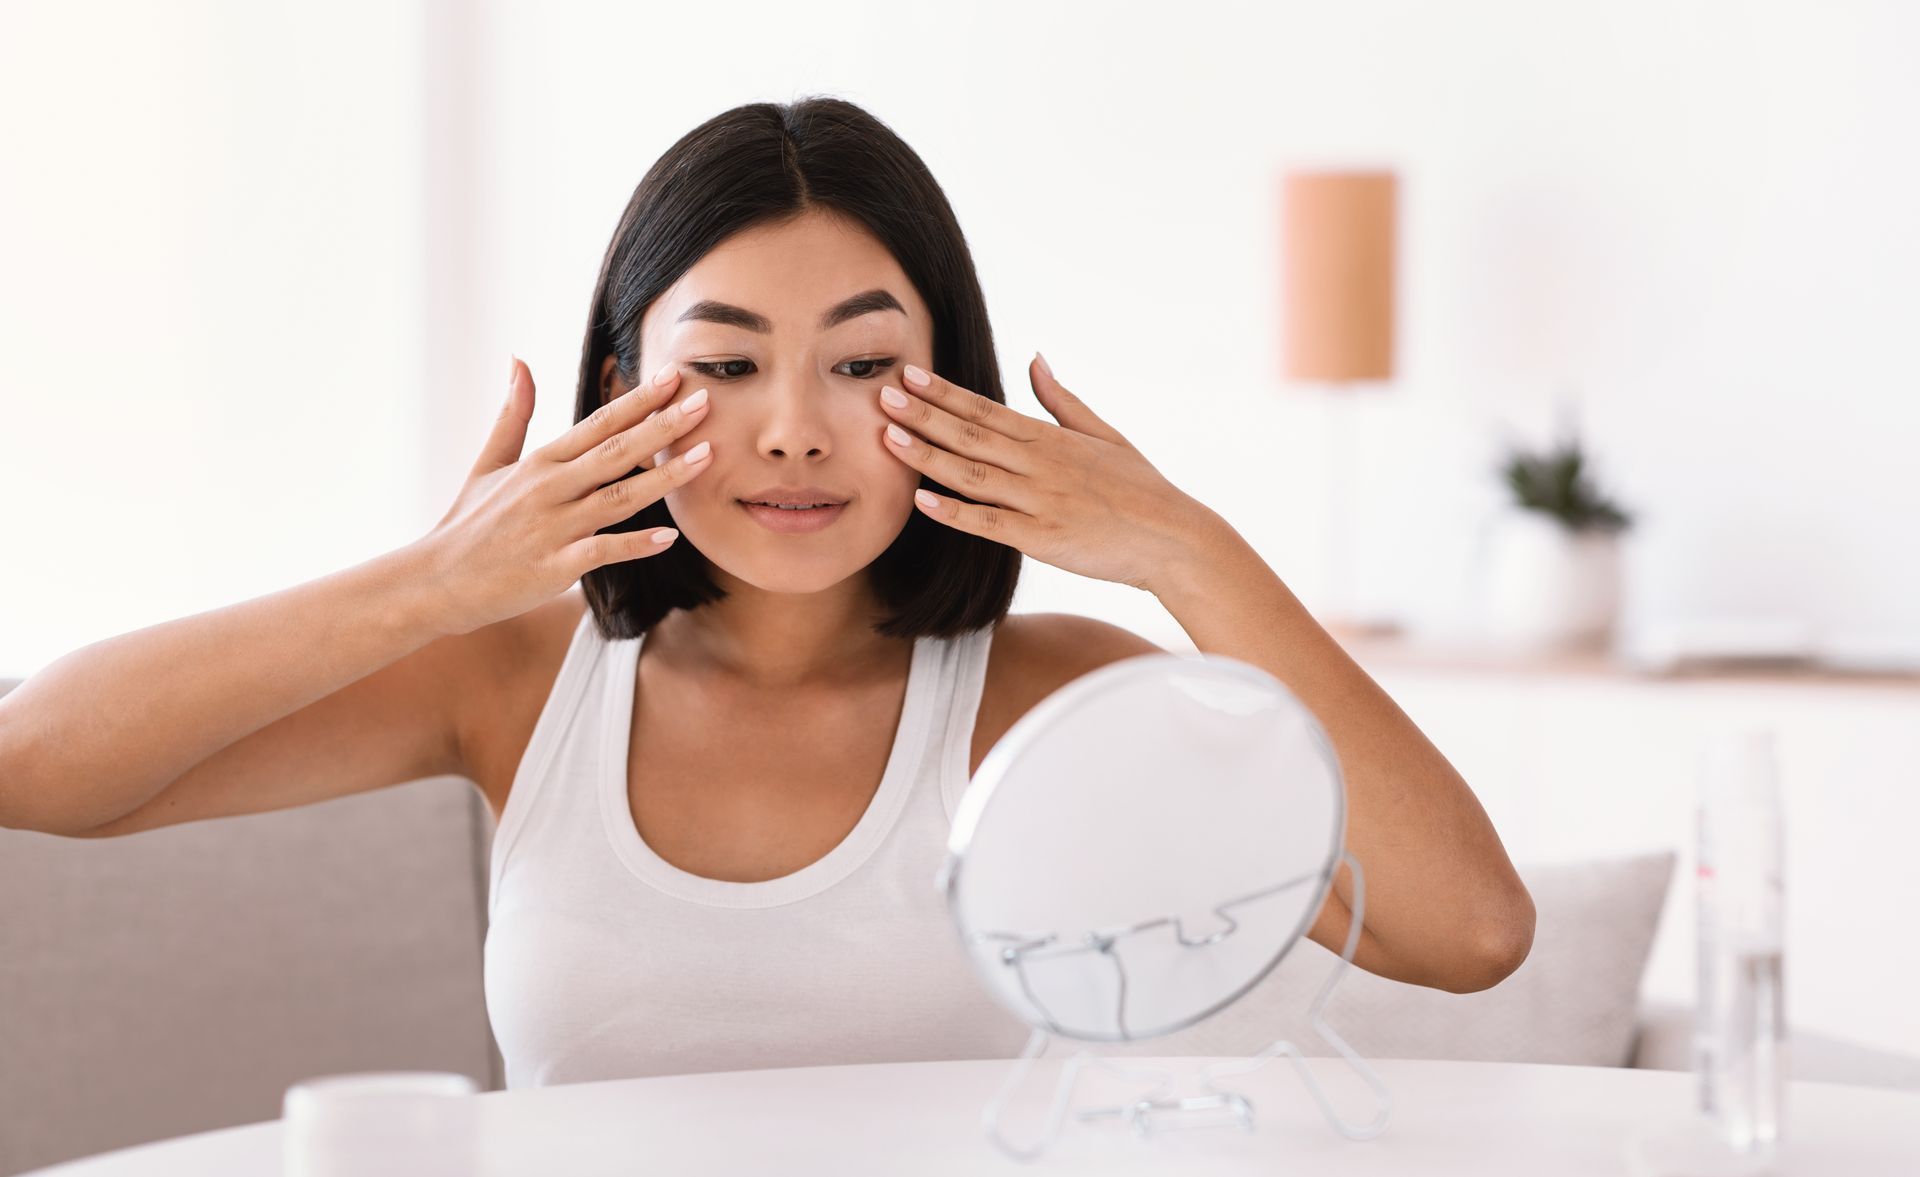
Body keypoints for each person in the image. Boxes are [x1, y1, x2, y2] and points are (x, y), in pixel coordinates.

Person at [0, 96, 1535, 1087]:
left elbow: (1467, 930)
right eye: (724, 364)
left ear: (953, 383)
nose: (793, 425)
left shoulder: (1040, 699)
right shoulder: (512, 680)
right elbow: (35, 768)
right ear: (622, 388)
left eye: (864, 362)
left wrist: (1182, 547)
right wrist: (430, 583)